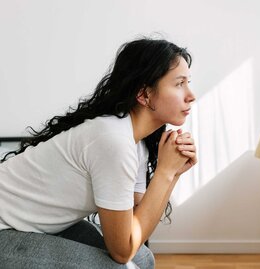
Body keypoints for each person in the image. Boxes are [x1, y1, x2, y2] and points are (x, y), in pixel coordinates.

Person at [0, 37, 197, 269]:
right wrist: (165, 172)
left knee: (143, 258)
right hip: (5, 227)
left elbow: (137, 229)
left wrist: (172, 173)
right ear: (144, 95)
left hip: (32, 225)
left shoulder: (136, 142)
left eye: (188, 82)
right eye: (179, 84)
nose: (190, 94)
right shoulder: (113, 140)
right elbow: (122, 251)